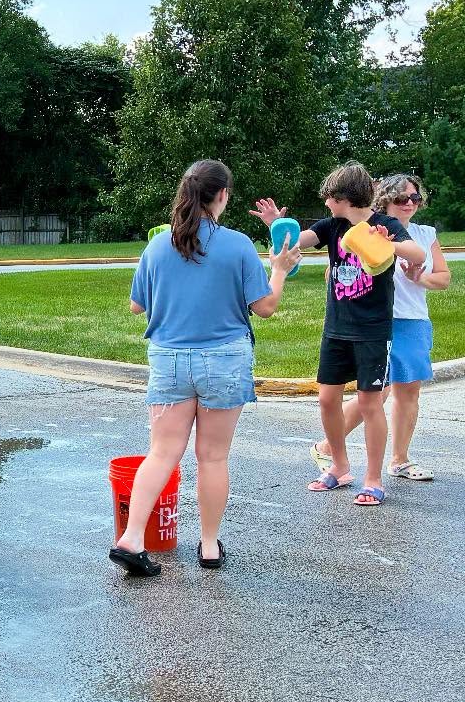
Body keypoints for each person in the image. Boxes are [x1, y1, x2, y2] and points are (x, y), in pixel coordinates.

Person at [110, 160, 298, 577]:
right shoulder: (238, 245)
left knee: (161, 453)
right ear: (223, 196)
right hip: (225, 360)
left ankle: (132, 538)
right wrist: (279, 271)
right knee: (212, 457)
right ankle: (209, 546)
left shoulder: (159, 245)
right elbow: (265, 307)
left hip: (169, 359)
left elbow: (137, 304)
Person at [251, 162, 426, 508]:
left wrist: (389, 245)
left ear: (342, 197)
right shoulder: (331, 227)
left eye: (328, 198)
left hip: (373, 331)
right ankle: (340, 466)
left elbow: (417, 253)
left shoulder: (384, 224)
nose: (326, 204)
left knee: (369, 403)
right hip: (337, 329)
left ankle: (373, 478)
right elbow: (295, 242)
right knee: (327, 398)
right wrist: (276, 226)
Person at [308, 174, 451, 483]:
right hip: (373, 321)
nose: (411, 203)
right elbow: (335, 273)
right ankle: (328, 449)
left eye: (416, 198)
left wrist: (417, 277)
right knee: (376, 395)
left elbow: (440, 275)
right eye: (403, 198)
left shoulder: (422, 234)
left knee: (406, 391)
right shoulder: (353, 228)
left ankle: (399, 460)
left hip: (409, 318)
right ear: (384, 199)